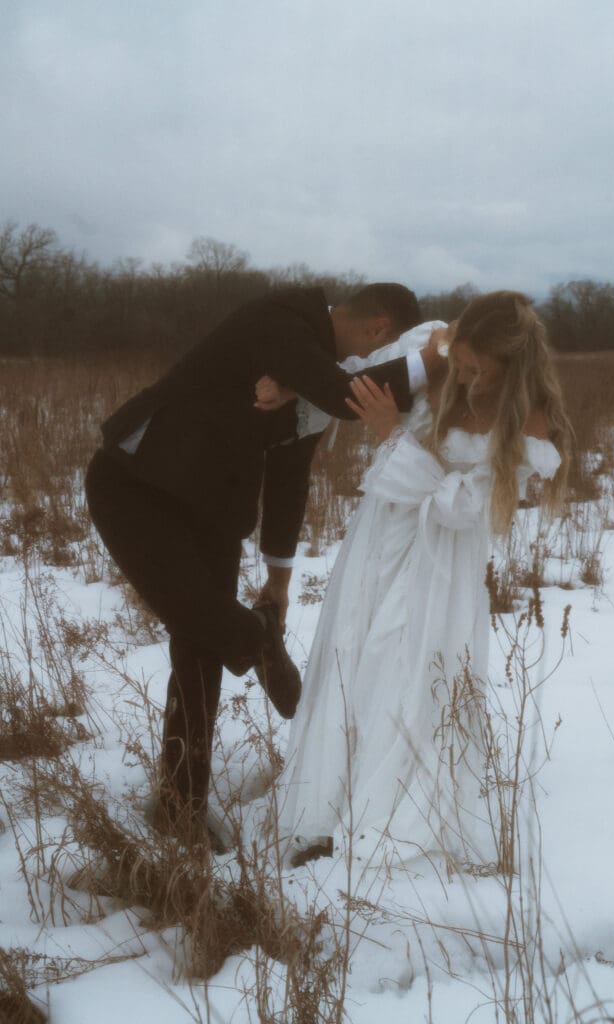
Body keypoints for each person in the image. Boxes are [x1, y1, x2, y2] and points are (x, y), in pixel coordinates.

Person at [84, 283, 443, 849]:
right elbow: (351, 394)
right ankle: (256, 639)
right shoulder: (282, 318)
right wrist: (433, 360)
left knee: (198, 646)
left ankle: (182, 805)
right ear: (377, 329)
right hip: (136, 485)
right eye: (386, 348)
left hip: (211, 512)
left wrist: (278, 577)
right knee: (202, 619)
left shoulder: (307, 380)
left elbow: (288, 480)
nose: (378, 360)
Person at [269, 290, 573, 870]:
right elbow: (349, 378)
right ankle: (325, 808)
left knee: (401, 665)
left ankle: (381, 807)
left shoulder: (529, 416)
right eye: (458, 361)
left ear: (510, 364)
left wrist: (392, 438)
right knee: (352, 653)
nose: (461, 375)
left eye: (476, 369)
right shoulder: (433, 350)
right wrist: (290, 384)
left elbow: (466, 511)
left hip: (439, 562)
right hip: (378, 538)